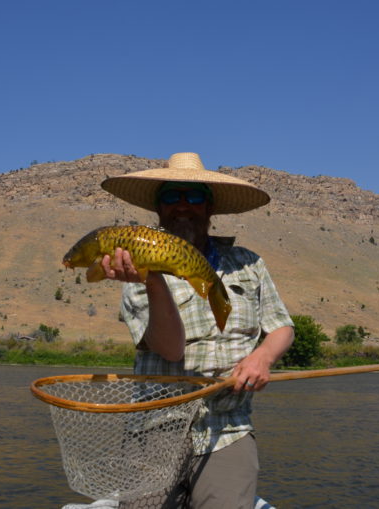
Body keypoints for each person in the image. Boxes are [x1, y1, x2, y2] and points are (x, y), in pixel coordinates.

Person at [100, 152, 294, 509]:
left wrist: (263, 357)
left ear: (210, 206)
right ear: (159, 208)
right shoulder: (135, 263)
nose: (183, 206)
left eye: (194, 196)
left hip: (228, 426)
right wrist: (154, 278)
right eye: (172, 196)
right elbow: (171, 349)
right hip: (156, 426)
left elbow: (282, 326)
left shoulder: (248, 263)